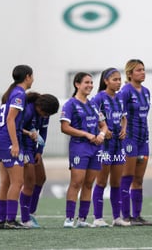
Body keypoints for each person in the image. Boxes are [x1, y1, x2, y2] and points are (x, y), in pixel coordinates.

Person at [60, 72, 108, 228]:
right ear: (77, 84)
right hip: (79, 147)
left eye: (91, 82)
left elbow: (103, 125)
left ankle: (82, 219)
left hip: (96, 148)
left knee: (88, 184)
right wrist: (86, 134)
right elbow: (65, 127)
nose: (90, 85)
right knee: (76, 182)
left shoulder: (93, 104)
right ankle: (68, 219)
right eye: (86, 82)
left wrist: (101, 134)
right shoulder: (70, 104)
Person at [0, 65, 34, 229]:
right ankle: (10, 220)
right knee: (17, 182)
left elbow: (11, 122)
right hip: (7, 142)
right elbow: (10, 120)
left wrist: (25, 132)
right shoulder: (19, 94)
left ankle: (1, 220)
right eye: (32, 76)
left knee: (6, 183)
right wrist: (15, 144)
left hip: (0, 140)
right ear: (28, 77)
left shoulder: (11, 92)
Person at [91, 68, 130, 227]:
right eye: (114, 79)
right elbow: (93, 119)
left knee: (116, 182)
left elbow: (124, 117)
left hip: (118, 144)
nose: (118, 82)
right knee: (101, 181)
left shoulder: (120, 98)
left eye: (119, 79)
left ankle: (117, 218)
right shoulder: (99, 98)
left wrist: (124, 129)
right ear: (106, 81)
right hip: (105, 146)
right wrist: (102, 130)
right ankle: (98, 218)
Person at [119, 59, 152, 226]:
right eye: (139, 70)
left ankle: (137, 215)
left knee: (139, 179)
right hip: (129, 140)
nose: (142, 72)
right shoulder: (125, 91)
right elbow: (120, 116)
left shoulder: (146, 91)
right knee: (127, 177)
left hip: (143, 140)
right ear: (130, 73)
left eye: (143, 69)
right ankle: (126, 216)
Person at [20, 92, 59, 228]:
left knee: (41, 178)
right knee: (29, 182)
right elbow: (17, 128)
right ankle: (25, 219)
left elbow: (43, 133)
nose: (46, 116)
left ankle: (31, 213)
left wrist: (39, 151)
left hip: (33, 149)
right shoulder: (29, 110)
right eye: (45, 113)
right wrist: (28, 137)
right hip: (23, 148)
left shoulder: (44, 114)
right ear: (39, 107)